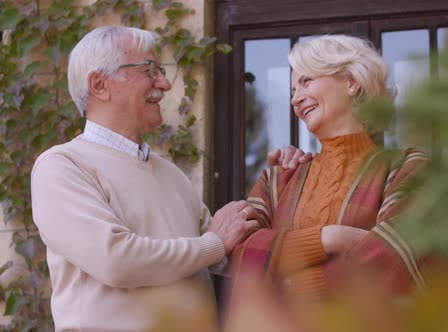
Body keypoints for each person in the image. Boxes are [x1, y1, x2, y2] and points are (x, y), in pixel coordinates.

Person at [30, 25, 309, 331]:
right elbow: (116, 260)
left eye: (159, 71)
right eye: (149, 70)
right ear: (99, 84)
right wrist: (214, 244)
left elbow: (227, 250)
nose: (163, 84)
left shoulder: (170, 173)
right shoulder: (62, 167)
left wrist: (279, 185)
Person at [230, 35, 429, 299]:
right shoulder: (279, 178)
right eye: (292, 91)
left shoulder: (405, 168)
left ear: (351, 82)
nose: (295, 100)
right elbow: (241, 253)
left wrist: (295, 285)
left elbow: (400, 257)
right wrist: (330, 238)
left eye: (306, 81)